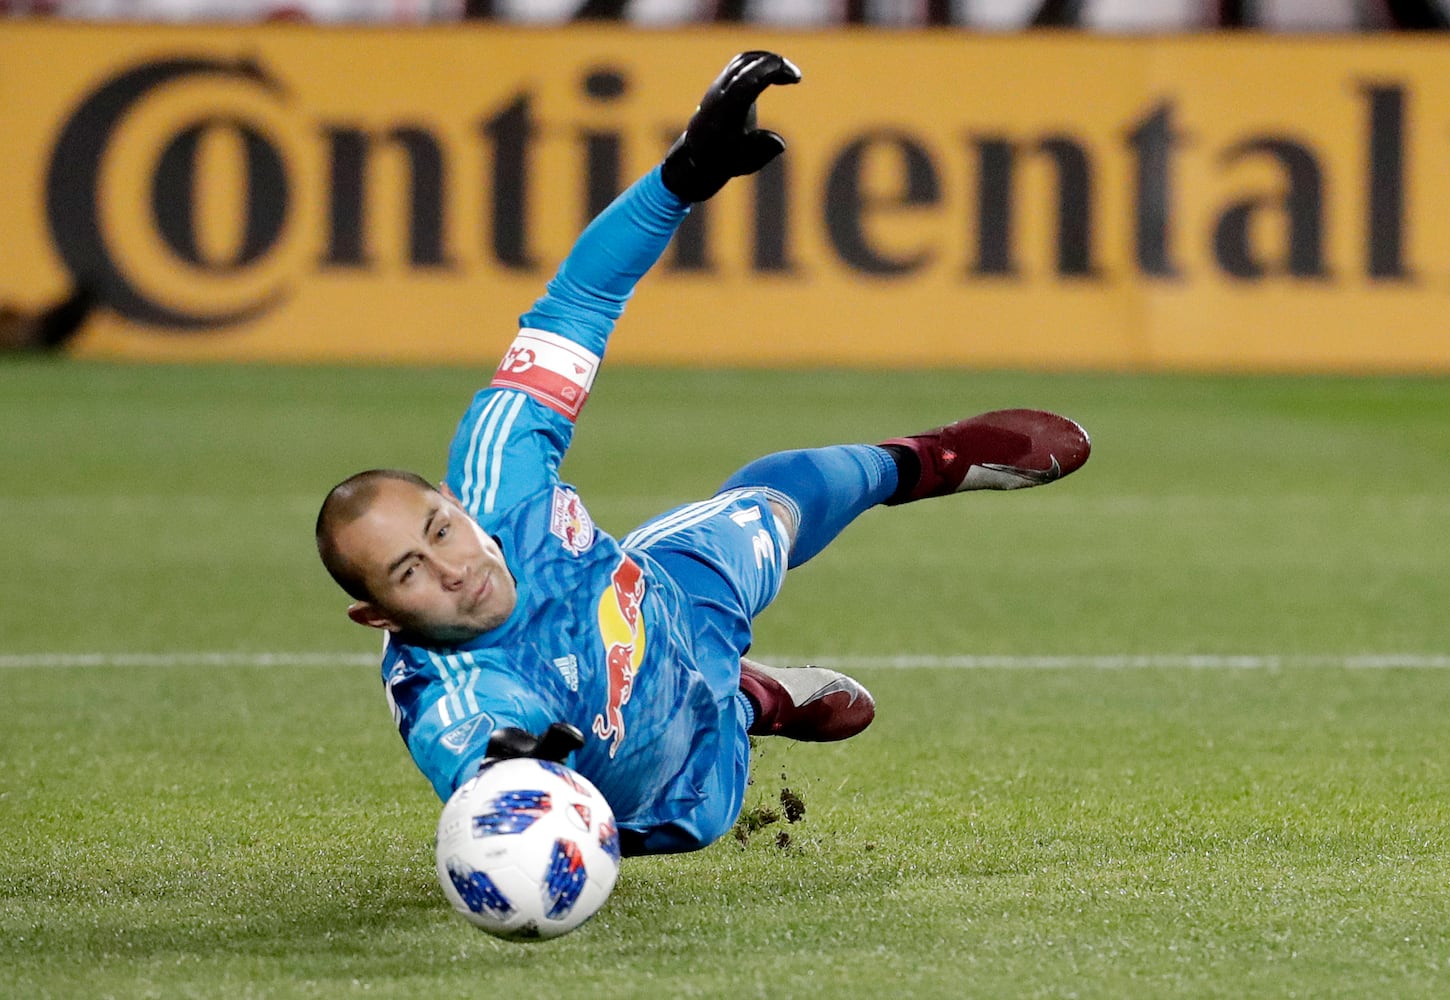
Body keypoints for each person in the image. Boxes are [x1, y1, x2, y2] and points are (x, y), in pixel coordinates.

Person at [315, 51, 1091, 857]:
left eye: (440, 528)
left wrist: (681, 177)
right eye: (408, 573)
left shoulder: (499, 463)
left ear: (454, 500)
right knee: (703, 803)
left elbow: (581, 298)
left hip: (669, 600)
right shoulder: (452, 691)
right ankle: (751, 703)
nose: (449, 567)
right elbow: (473, 752)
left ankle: (923, 461)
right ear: (378, 616)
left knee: (774, 508)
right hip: (674, 786)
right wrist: (511, 782)